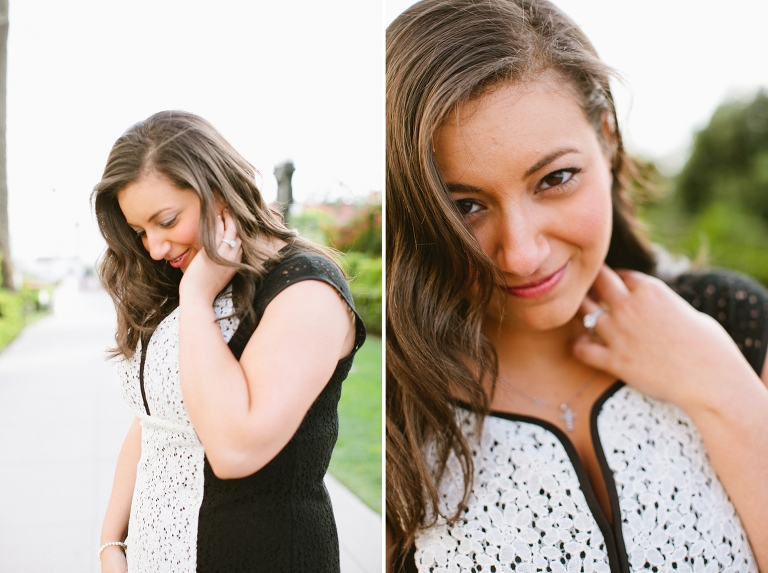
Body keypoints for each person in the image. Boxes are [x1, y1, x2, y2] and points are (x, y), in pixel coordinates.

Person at [386, 1, 768, 571]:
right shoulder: (399, 411)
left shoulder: (730, 320)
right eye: (465, 206)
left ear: (607, 140)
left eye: (555, 179)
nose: (521, 253)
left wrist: (723, 389)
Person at [93, 110, 366, 573]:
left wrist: (196, 299)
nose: (155, 248)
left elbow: (235, 449)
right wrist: (110, 543)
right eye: (141, 232)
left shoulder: (305, 289)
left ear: (217, 188)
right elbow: (154, 419)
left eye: (166, 220)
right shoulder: (181, 276)